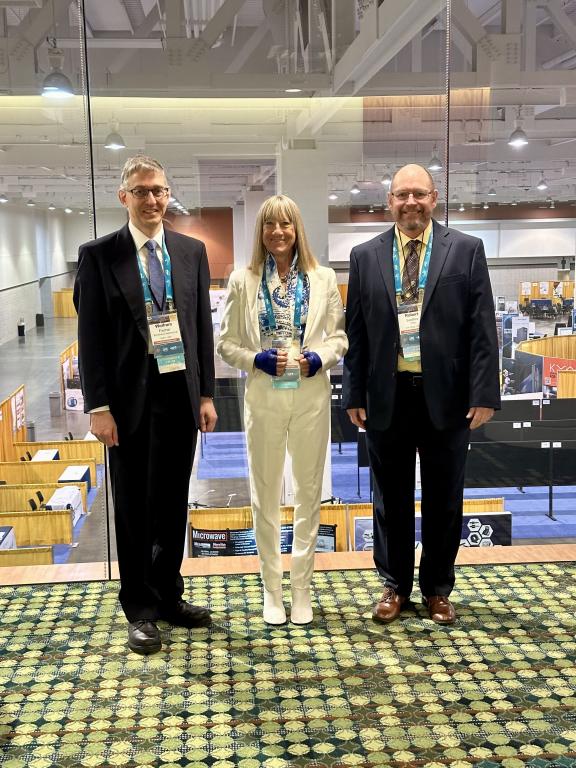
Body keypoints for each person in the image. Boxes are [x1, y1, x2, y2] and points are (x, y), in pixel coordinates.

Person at [343, 164, 500, 625]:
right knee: (388, 499)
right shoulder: (365, 256)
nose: (410, 203)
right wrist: (353, 392)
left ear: (434, 198)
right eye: (401, 195)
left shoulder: (466, 250)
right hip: (386, 396)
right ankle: (394, 587)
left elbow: (482, 329)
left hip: (447, 398)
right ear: (388, 201)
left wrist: (484, 392)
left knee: (444, 498)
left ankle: (437, 589)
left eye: (419, 194)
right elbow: (356, 333)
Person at [74, 155, 217, 654]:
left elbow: (201, 327)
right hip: (127, 405)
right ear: (124, 197)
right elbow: (90, 338)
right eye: (141, 191)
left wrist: (205, 393)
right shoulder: (99, 256)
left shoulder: (191, 251)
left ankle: (168, 595)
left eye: (158, 190)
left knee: (173, 503)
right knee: (134, 508)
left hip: (179, 397)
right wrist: (98, 407)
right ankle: (139, 607)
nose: (152, 199)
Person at [217, 194, 347, 625]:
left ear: (297, 229)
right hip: (264, 398)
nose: (277, 232)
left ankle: (301, 588)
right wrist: (255, 358)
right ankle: (272, 590)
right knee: (266, 497)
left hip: (310, 395)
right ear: (261, 231)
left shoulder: (324, 278)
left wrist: (318, 359)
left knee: (309, 495)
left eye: (285, 224)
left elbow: (339, 338)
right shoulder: (243, 279)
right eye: (269, 225)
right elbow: (225, 344)